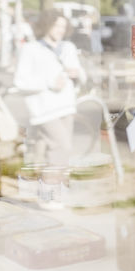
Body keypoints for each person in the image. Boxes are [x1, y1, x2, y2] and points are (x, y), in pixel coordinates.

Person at [13, 10, 85, 165]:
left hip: (66, 106)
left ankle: (54, 185)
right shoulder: (30, 49)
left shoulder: (68, 47)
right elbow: (20, 81)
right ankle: (53, 186)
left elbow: (80, 75)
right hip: (44, 109)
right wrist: (50, 83)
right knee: (62, 146)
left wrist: (77, 74)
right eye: (56, 25)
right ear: (46, 25)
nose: (60, 30)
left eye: (63, 26)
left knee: (57, 151)